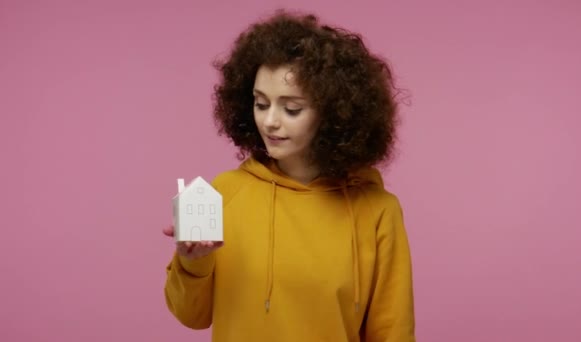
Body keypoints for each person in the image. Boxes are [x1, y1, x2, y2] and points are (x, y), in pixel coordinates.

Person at [163, 9, 416, 342]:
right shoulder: (224, 194)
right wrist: (192, 262)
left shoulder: (377, 211)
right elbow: (191, 316)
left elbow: (393, 333)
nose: (270, 121)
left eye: (291, 108)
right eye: (260, 103)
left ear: (332, 113)